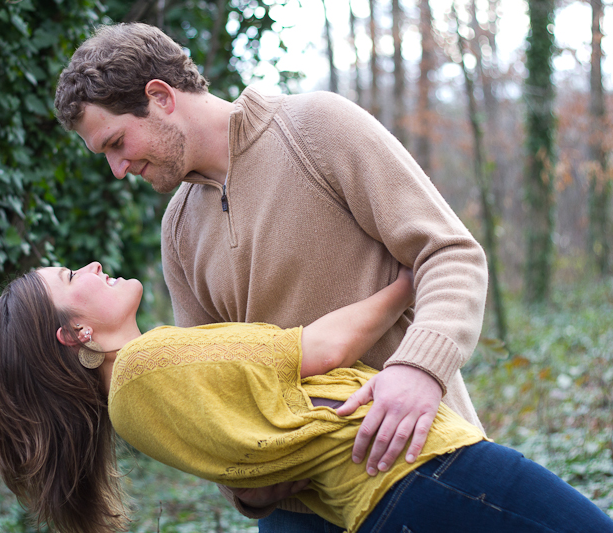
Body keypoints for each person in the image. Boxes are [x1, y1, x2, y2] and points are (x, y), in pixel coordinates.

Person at [53, 22, 490, 529]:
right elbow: (211, 395)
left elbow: (449, 253)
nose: (117, 168)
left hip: (417, 459)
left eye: (116, 142)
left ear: (160, 97)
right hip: (299, 514)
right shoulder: (177, 230)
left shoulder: (317, 127)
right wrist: (249, 487)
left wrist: (420, 369)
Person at [0, 262, 613, 533]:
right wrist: (409, 278)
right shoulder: (151, 361)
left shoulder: (132, 410)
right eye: (72, 277)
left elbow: (263, 468)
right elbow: (323, 347)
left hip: (376, 505)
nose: (91, 268)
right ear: (75, 334)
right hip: (419, 467)